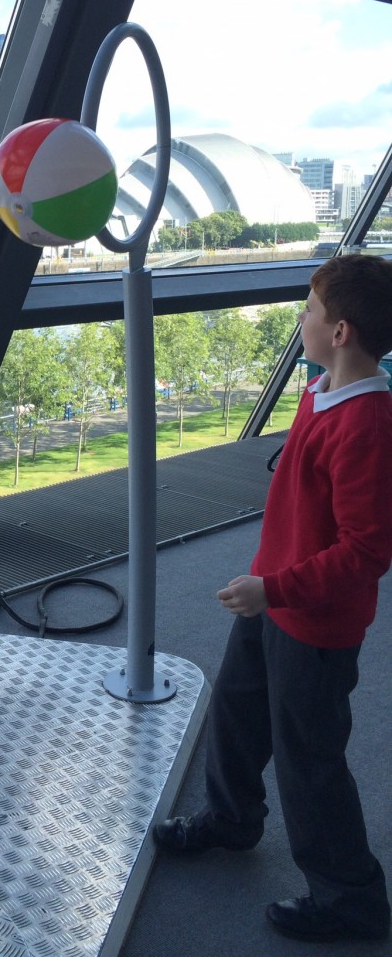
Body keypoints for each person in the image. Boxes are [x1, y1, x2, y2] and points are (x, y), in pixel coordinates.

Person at [155, 253, 392, 942]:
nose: (301, 318)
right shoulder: (320, 390)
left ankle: (350, 897)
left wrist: (275, 588)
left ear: (340, 332)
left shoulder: (367, 426)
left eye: (310, 309)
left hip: (312, 623)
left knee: (308, 758)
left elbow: (367, 551)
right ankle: (232, 820)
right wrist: (268, 582)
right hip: (273, 598)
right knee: (235, 713)